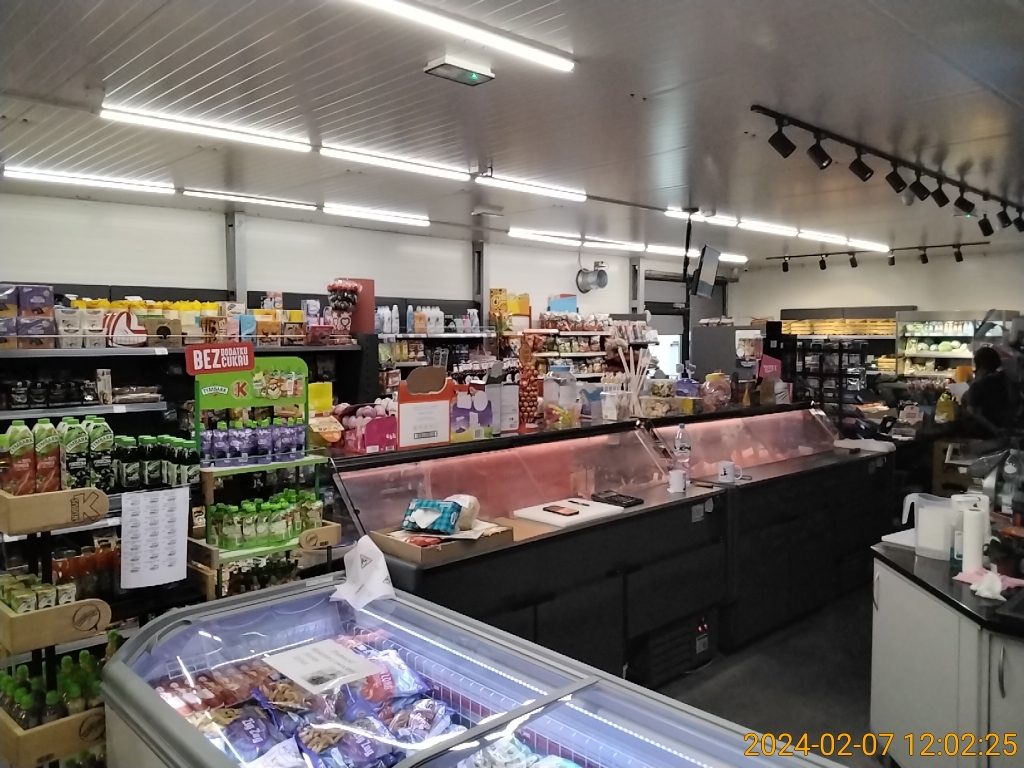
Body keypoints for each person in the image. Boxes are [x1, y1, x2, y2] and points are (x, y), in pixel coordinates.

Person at [963, 346, 1018, 437]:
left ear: (978, 364)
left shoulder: (978, 385)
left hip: (982, 433)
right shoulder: (1005, 380)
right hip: (1005, 429)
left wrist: (995, 430)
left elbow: (973, 411)